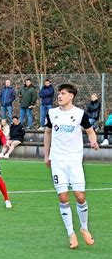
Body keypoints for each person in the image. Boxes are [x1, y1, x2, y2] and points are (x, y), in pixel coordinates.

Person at [43, 83, 98, 249]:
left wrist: (93, 141)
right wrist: (47, 155)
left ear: (71, 96)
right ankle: (70, 233)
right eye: (59, 93)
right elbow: (47, 133)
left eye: (63, 93)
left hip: (74, 160)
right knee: (63, 197)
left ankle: (84, 228)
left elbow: (89, 130)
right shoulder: (52, 113)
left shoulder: (80, 114)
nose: (59, 96)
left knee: (80, 197)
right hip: (58, 160)